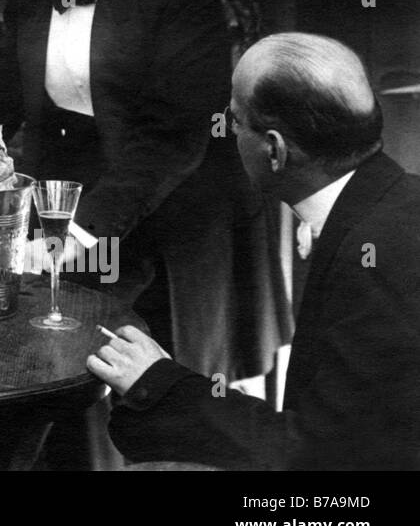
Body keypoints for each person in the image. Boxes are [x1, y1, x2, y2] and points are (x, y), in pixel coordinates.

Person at [0, 0, 277, 380]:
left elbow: (172, 140)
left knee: (153, 377)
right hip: (76, 191)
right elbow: (3, 92)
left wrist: (84, 233)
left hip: (173, 207)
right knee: (51, 350)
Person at [91, 33, 420, 470]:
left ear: (274, 150)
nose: (227, 131)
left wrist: (159, 383)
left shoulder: (371, 268)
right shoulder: (392, 203)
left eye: (235, 121)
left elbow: (321, 456)